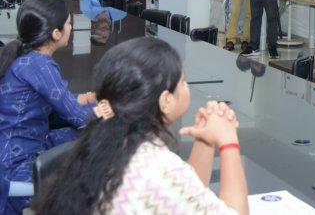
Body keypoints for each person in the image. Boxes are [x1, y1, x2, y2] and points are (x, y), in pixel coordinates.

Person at [32, 37, 248, 214]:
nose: (186, 85)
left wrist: (204, 140)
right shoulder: (157, 167)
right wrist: (228, 140)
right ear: (166, 100)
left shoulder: (107, 140)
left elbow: (188, 196)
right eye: (183, 81)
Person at [0, 0, 95, 214]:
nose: (71, 28)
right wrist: (107, 108)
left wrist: (88, 98)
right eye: (69, 23)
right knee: (95, 138)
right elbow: (79, 117)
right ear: (56, 33)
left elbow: (60, 99)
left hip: (16, 146)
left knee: (79, 136)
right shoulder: (40, 64)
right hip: (16, 165)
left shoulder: (23, 55)